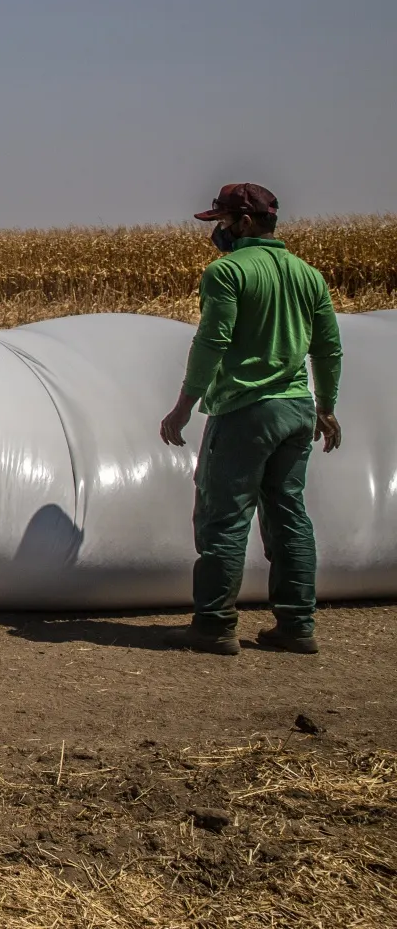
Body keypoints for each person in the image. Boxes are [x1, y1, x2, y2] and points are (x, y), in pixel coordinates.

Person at [159, 183, 342, 657]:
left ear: (242, 222)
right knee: (289, 515)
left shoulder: (227, 273)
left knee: (224, 516)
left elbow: (212, 343)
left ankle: (215, 624)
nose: (216, 230)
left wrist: (185, 405)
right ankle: (297, 625)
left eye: (220, 220)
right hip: (297, 411)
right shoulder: (308, 275)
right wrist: (326, 406)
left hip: (245, 410)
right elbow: (327, 348)